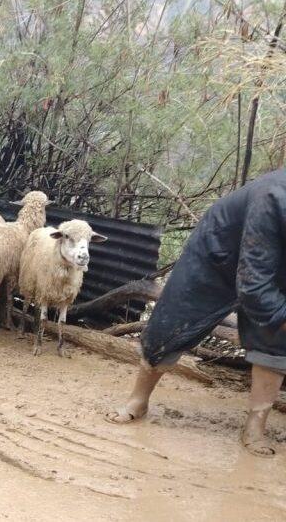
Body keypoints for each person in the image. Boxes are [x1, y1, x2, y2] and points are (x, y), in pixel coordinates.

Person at [105, 169, 286, 457]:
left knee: (275, 338)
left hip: (276, 264)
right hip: (218, 252)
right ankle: (137, 399)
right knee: (173, 321)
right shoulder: (274, 196)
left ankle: (255, 425)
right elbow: (253, 283)